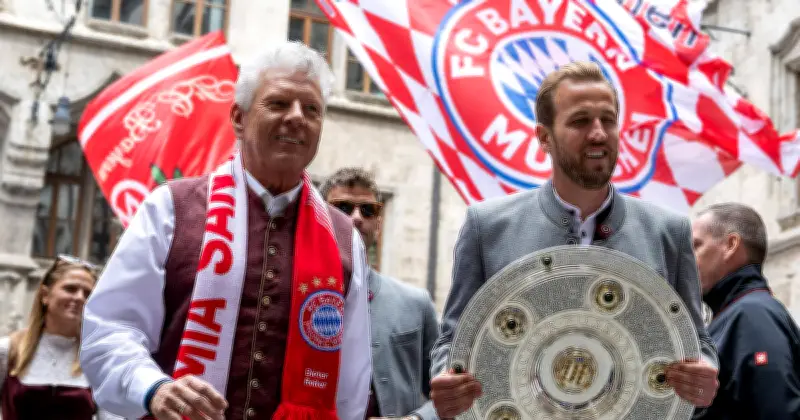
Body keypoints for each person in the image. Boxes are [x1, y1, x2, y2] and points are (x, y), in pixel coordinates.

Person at [79, 41, 372, 420]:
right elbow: (109, 330)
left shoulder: (343, 237)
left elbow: (350, 385)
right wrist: (154, 388)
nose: (297, 117)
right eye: (279, 103)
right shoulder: (172, 208)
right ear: (238, 118)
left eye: (312, 109)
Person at [428, 61, 720, 418]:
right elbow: (453, 340)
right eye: (581, 121)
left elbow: (697, 341)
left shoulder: (669, 231)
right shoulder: (486, 226)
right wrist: (445, 378)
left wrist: (705, 371)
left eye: (608, 120)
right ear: (544, 138)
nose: (598, 133)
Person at [321, 168, 440, 420]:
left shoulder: (415, 303)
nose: (356, 218)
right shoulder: (293, 295)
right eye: (343, 208)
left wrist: (415, 419)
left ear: (379, 223)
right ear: (319, 214)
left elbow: (450, 394)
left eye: (368, 210)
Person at [691, 203, 800, 419]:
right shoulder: (734, 315)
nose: (687, 259)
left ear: (731, 245)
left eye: (696, 246)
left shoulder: (753, 315)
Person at [0, 255, 120, 420]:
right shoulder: (9, 350)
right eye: (70, 289)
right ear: (45, 295)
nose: (79, 297)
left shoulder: (98, 358)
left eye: (87, 293)